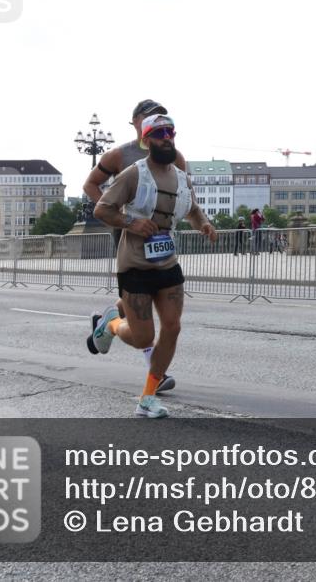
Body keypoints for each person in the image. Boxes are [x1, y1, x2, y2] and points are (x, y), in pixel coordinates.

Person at [87, 114, 217, 418]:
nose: (166, 137)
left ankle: (147, 398)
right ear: (147, 140)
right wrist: (131, 222)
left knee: (173, 327)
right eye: (159, 133)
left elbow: (193, 210)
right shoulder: (133, 174)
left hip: (167, 263)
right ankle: (111, 324)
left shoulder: (181, 178)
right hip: (135, 265)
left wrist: (205, 224)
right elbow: (102, 208)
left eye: (170, 132)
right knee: (144, 338)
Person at [82, 99, 185, 392]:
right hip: (129, 236)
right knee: (142, 316)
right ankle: (155, 371)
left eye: (162, 117)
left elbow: (184, 191)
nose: (158, 122)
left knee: (151, 305)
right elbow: (91, 185)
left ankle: (108, 321)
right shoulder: (119, 154)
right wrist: (121, 218)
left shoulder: (174, 156)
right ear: (137, 122)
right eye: (151, 117)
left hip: (161, 242)